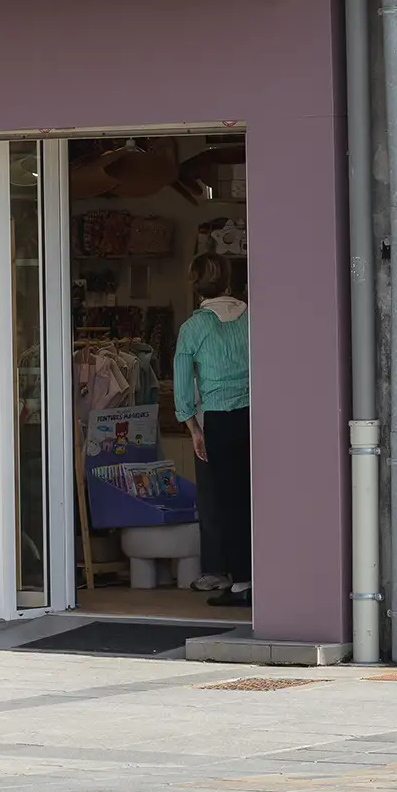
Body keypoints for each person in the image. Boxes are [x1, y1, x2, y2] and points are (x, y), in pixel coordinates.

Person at [174, 254, 251, 608]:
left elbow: (181, 384)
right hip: (255, 415)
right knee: (253, 497)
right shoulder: (251, 316)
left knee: (226, 502)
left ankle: (241, 583)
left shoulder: (194, 328)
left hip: (216, 418)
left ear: (196, 286)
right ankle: (261, 574)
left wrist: (192, 426)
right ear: (229, 283)